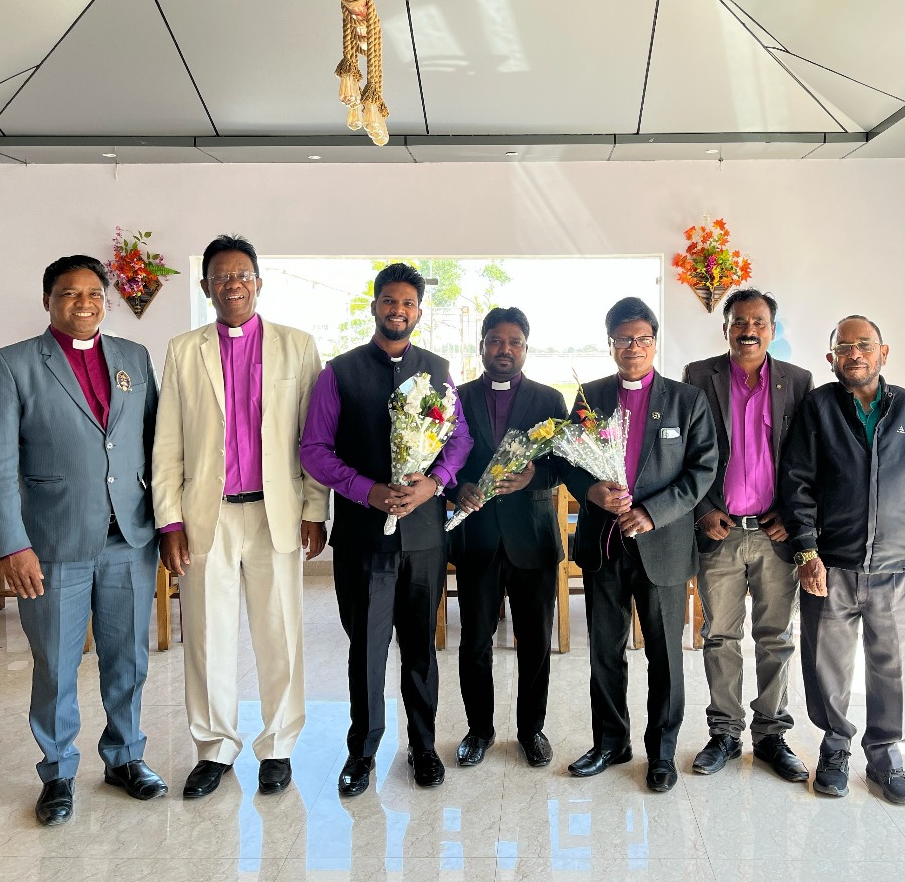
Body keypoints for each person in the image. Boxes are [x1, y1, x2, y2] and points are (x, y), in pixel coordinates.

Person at [0, 254, 165, 825]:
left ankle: (125, 758)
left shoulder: (133, 357)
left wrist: (169, 524)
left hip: (129, 537)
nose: (84, 303)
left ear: (106, 301)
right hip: (52, 544)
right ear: (48, 300)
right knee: (56, 665)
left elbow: (157, 444)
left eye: (93, 293)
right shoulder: (11, 365)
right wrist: (11, 545)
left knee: (128, 658)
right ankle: (57, 772)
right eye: (69, 293)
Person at [154, 234, 329, 799]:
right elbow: (167, 441)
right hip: (207, 517)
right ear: (206, 287)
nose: (233, 284)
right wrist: (169, 521)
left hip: (276, 514)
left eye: (242, 275)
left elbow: (313, 437)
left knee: (280, 632)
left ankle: (278, 746)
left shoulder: (297, 347)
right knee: (207, 635)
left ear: (259, 282)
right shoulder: (184, 350)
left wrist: (315, 508)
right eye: (221, 277)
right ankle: (215, 748)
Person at [300, 262, 471, 796]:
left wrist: (435, 482)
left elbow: (459, 439)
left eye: (408, 303)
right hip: (363, 537)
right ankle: (363, 751)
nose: (399, 310)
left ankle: (423, 746)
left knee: (421, 648)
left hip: (423, 538)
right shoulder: (339, 373)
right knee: (367, 650)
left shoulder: (438, 370)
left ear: (419, 312)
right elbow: (314, 449)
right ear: (375, 306)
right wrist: (365, 490)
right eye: (390, 301)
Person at [778, 315, 905, 805]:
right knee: (826, 667)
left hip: (896, 568)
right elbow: (797, 482)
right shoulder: (818, 408)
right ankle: (835, 750)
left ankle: (886, 757)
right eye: (844, 348)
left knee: (894, 668)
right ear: (831, 358)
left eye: (864, 345)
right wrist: (806, 551)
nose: (854, 354)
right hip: (830, 567)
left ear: (883, 352)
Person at [561, 297, 718, 793]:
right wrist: (591, 491)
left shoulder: (686, 400)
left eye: (643, 339)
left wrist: (653, 512)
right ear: (610, 344)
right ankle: (610, 743)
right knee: (604, 651)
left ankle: (662, 752)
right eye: (624, 339)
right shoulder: (589, 397)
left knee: (665, 655)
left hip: (662, 544)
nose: (634, 347)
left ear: (654, 342)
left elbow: (702, 470)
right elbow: (566, 460)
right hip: (604, 543)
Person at [682, 289, 813, 782]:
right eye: (739, 321)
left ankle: (772, 735)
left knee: (776, 636)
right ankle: (724, 733)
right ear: (726, 329)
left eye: (759, 321)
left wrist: (792, 517)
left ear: (773, 330)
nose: (749, 330)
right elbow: (686, 452)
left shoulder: (798, 381)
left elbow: (805, 458)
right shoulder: (699, 376)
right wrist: (702, 510)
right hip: (721, 531)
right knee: (719, 635)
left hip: (775, 533)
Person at [449, 307, 569, 769]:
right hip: (477, 537)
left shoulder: (549, 399)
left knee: (535, 641)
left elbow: (567, 463)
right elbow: (442, 459)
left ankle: (531, 730)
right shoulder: (457, 398)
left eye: (514, 341)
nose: (505, 349)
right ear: (481, 346)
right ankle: (479, 730)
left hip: (532, 539)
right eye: (496, 341)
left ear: (526, 347)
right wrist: (456, 488)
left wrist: (536, 475)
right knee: (474, 642)